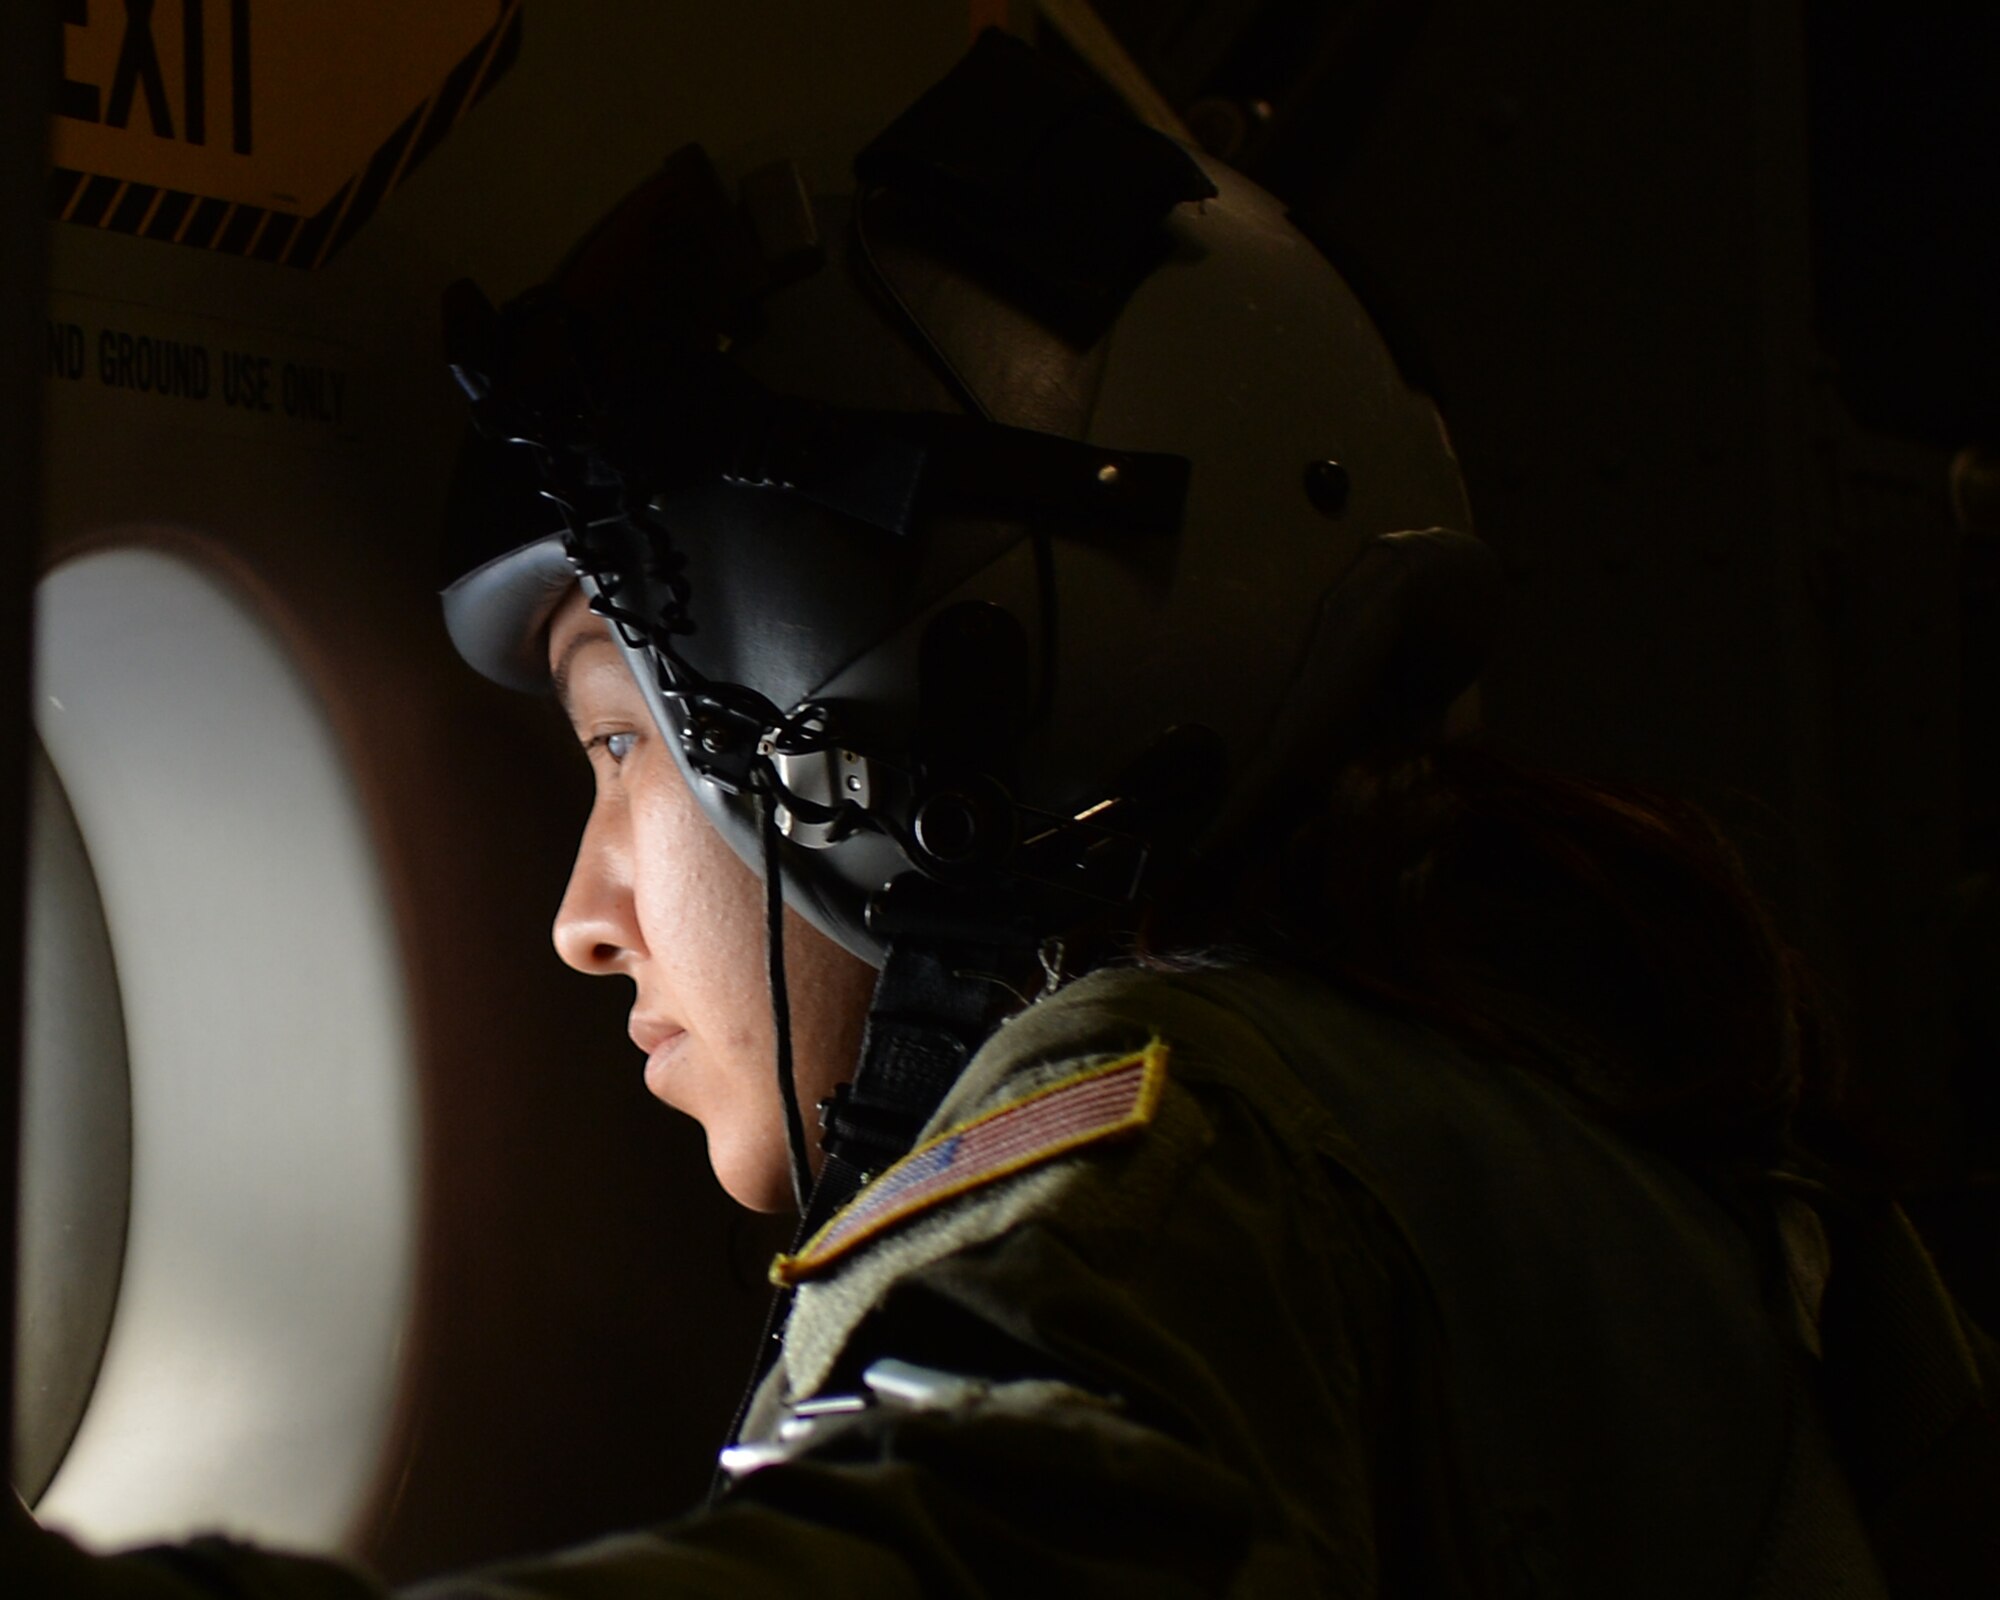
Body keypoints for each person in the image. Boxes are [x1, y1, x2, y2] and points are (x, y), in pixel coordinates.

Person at [10, 30, 1996, 1599]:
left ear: (928, 721)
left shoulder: (1188, 1147)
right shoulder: (1546, 1108)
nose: (583, 914)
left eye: (622, 747)